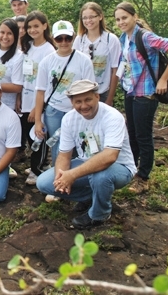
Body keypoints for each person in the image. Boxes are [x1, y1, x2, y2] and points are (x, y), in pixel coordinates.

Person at [36, 80, 137, 229]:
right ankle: (93, 197)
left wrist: (73, 175)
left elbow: (110, 156)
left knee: (101, 176)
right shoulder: (69, 119)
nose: (83, 106)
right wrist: (62, 177)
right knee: (44, 182)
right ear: (72, 102)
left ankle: (99, 214)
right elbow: (64, 155)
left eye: (88, 99)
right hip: (86, 163)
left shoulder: (112, 117)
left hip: (119, 167)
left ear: (97, 97)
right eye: (78, 102)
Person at [114, 2, 168, 193]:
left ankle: (143, 177)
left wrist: (163, 79)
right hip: (130, 91)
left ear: (134, 16)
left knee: (143, 135)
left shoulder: (146, 37)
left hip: (146, 93)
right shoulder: (124, 38)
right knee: (131, 132)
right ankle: (131, 170)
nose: (121, 22)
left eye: (124, 17)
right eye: (117, 19)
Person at [34, 21, 96, 202]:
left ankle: (78, 179)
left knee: (81, 145)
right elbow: (40, 91)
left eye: (67, 38)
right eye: (59, 38)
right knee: (59, 148)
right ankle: (59, 182)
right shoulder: (47, 61)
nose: (64, 42)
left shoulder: (83, 60)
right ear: (53, 39)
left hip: (80, 111)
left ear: (73, 38)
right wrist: (38, 119)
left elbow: (90, 89)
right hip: (55, 111)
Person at [18, 11, 56, 186]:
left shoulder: (49, 50)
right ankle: (39, 164)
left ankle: (37, 169)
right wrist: (20, 98)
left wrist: (36, 108)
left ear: (44, 26)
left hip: (38, 102)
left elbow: (48, 84)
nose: (32, 30)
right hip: (25, 99)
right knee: (28, 135)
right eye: (29, 27)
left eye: (36, 26)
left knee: (38, 137)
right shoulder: (28, 47)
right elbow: (24, 77)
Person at [73, 2, 121, 104]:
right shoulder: (79, 40)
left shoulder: (111, 39)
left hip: (103, 92)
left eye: (92, 17)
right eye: (85, 18)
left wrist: (110, 98)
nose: (88, 21)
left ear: (100, 17)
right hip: (83, 93)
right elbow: (74, 67)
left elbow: (115, 70)